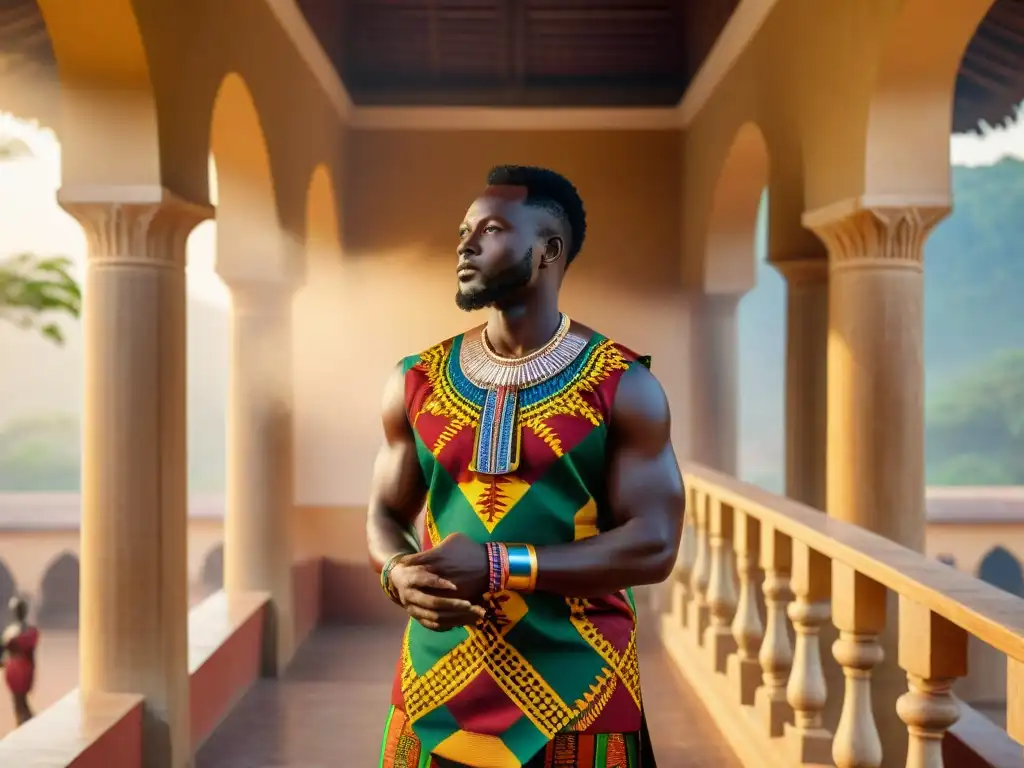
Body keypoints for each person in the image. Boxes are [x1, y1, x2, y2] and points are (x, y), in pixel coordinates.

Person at [367, 165, 684, 768]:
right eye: (464, 230)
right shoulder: (416, 380)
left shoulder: (624, 385)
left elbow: (654, 545)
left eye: (490, 229)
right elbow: (385, 512)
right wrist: (397, 573)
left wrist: (493, 565)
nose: (465, 243)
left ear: (548, 251)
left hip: (580, 687)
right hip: (434, 687)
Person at [1, 596, 39, 727]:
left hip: (14, 668)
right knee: (20, 700)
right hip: (23, 667)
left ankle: (25, 725)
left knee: (18, 700)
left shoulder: (9, 632)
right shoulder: (31, 631)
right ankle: (26, 724)